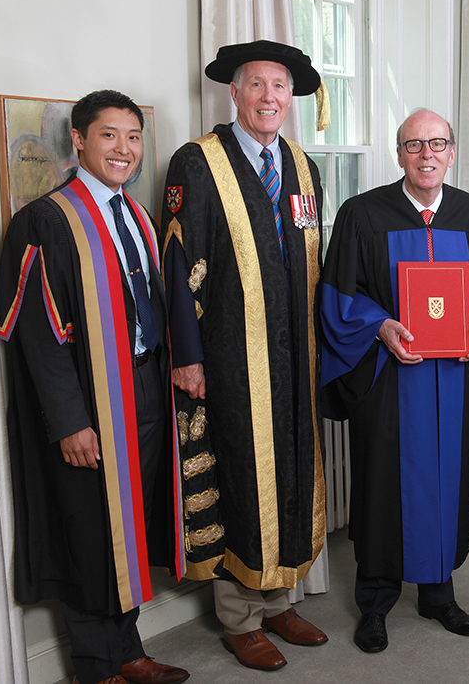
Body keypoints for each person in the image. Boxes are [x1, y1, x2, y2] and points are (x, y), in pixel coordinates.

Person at [0, 90, 189, 684]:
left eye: (133, 137)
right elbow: (37, 336)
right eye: (109, 135)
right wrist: (70, 421)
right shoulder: (46, 221)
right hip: (90, 397)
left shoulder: (137, 216)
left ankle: (128, 649)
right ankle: (96, 666)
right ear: (78, 140)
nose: (124, 149)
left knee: (133, 518)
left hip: (145, 386)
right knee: (88, 523)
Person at [159, 40, 327, 672]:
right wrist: (189, 355)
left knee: (287, 470)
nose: (269, 98)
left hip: (295, 360)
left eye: (280, 87)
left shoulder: (302, 168)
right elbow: (177, 264)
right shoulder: (198, 163)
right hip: (232, 356)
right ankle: (239, 617)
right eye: (257, 85)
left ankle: (280, 596)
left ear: (291, 96)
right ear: (235, 92)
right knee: (239, 473)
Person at [320, 109, 469, 653]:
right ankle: (375, 602)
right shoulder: (362, 214)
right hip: (387, 380)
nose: (426, 154)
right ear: (398, 153)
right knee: (382, 484)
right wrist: (379, 327)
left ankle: (439, 594)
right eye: (413, 145)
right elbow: (337, 296)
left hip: (452, 381)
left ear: (451, 151)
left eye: (437, 144)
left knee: (448, 483)